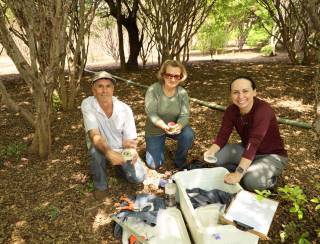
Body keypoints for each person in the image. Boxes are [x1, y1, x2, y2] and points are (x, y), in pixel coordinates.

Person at [204, 76, 288, 191]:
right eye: (235, 92)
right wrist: (211, 151)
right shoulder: (231, 110)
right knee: (216, 158)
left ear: (254, 92)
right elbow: (222, 136)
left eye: (245, 91)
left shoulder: (263, 110)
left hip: (271, 155)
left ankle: (271, 180)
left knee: (251, 182)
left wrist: (238, 173)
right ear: (230, 95)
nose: (240, 96)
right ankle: (246, 168)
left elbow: (253, 143)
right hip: (247, 150)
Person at [81, 71, 146, 200]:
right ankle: (101, 186)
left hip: (121, 150)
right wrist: (109, 153)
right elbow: (94, 135)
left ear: (113, 89)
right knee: (95, 151)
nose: (104, 90)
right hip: (101, 146)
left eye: (108, 86)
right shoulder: (88, 104)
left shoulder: (124, 109)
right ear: (93, 90)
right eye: (100, 86)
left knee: (138, 178)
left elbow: (129, 140)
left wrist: (131, 150)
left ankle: (119, 167)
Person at [145, 60, 194, 170]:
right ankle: (155, 147)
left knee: (188, 134)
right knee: (154, 165)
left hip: (173, 128)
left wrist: (179, 126)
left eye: (176, 76)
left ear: (181, 77)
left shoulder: (182, 93)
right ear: (163, 75)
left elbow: (184, 115)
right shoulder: (153, 90)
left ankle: (180, 160)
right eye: (169, 75)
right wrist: (163, 126)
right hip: (155, 129)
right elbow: (151, 113)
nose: (172, 79)